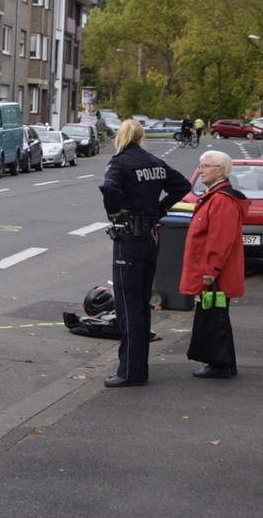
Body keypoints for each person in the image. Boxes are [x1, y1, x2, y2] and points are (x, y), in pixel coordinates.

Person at [99, 120, 191, 387]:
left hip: (129, 238)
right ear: (142, 137)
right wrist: (159, 210)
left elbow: (109, 188)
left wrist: (115, 212)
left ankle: (130, 371)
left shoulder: (120, 162)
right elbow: (182, 185)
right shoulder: (154, 161)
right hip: (151, 237)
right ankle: (139, 367)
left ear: (120, 136)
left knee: (127, 304)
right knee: (141, 302)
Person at [180, 150, 248, 378]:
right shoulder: (216, 196)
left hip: (216, 273)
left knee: (215, 317)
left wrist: (211, 271)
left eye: (206, 166)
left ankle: (220, 365)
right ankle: (224, 363)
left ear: (221, 171)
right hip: (214, 271)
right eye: (200, 165)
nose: (201, 170)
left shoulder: (221, 200)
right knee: (214, 315)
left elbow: (220, 239)